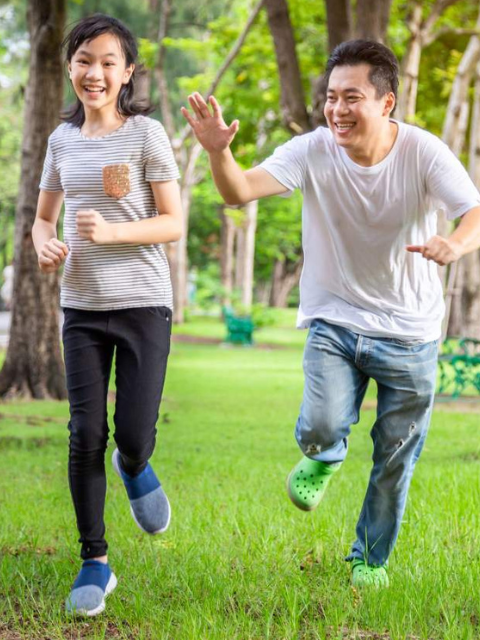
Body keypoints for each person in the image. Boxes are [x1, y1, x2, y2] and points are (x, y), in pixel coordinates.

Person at [181, 39, 480, 587]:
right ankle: (324, 453)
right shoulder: (312, 149)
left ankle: (369, 558)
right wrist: (218, 152)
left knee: (395, 459)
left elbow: (473, 211)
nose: (337, 109)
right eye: (331, 97)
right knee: (320, 426)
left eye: (353, 98)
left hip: (411, 332)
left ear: (386, 102)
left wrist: (454, 246)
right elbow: (240, 191)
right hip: (334, 321)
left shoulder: (424, 152)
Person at [32, 13, 182, 615]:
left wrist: (115, 232)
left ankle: (136, 464)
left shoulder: (146, 135)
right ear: (70, 67)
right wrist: (45, 241)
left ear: (127, 74)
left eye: (107, 62)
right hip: (83, 306)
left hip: (145, 303)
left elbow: (173, 224)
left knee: (132, 435)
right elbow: (45, 216)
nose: (94, 72)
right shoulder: (60, 141)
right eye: (83, 60)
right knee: (83, 433)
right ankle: (94, 559)